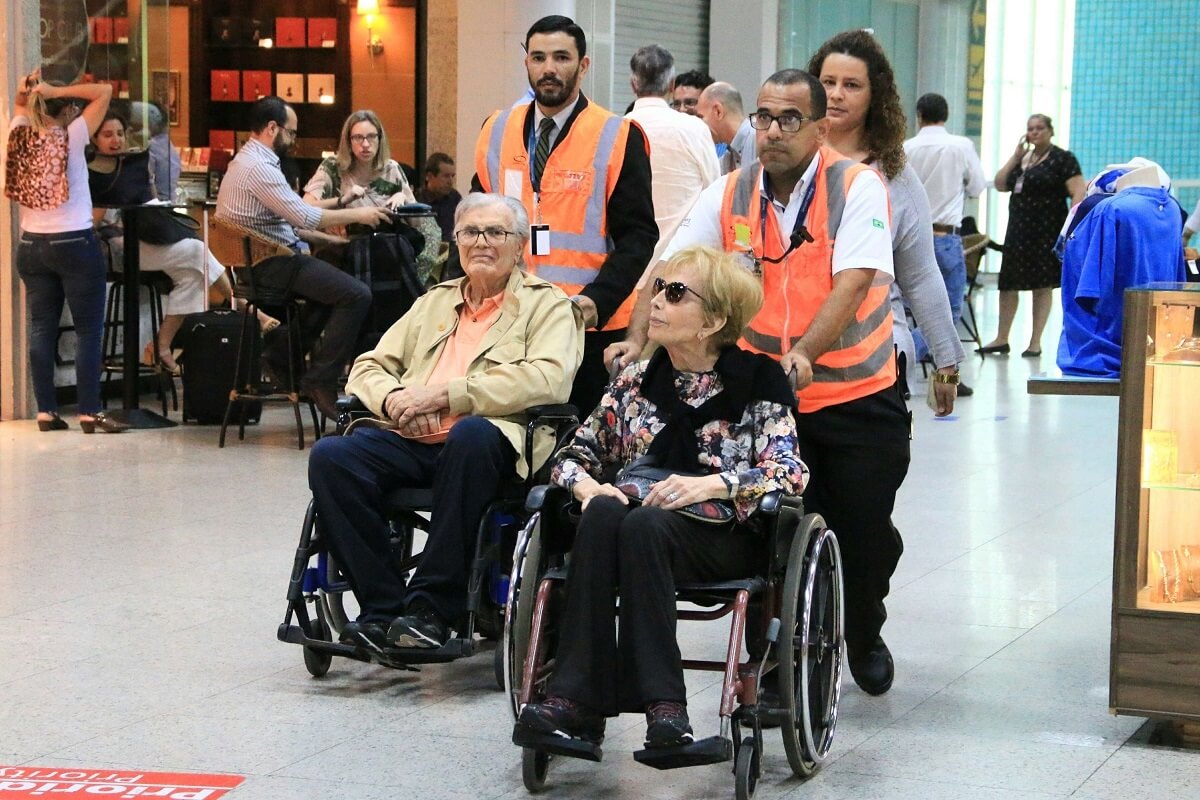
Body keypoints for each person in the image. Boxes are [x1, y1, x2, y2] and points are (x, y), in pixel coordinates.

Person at [609, 69, 909, 696]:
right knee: (767, 524)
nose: (771, 132)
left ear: (819, 127)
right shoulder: (730, 191)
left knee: (864, 531)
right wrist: (637, 339)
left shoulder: (857, 186)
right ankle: (769, 658)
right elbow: (671, 264)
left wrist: (802, 353)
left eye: (788, 120)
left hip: (855, 392)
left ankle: (864, 627)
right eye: (763, 119)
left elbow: (854, 280)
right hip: (765, 398)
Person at [515, 245, 806, 748]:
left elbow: (790, 472)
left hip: (717, 536)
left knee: (640, 522)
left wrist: (710, 483)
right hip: (635, 526)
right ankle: (574, 700)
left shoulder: (759, 381)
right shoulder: (633, 382)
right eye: (657, 290)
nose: (655, 303)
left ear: (712, 320)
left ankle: (664, 707)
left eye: (674, 294)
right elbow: (569, 456)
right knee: (606, 511)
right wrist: (588, 486)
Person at [307, 193, 584, 653]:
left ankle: (432, 609)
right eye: (471, 232)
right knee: (333, 456)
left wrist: (447, 396)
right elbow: (369, 365)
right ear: (455, 241)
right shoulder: (433, 303)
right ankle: (385, 609)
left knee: (471, 434)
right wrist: (396, 401)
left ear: (520, 246)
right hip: (412, 437)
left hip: (491, 444)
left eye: (496, 232)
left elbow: (548, 379)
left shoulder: (549, 306)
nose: (482, 242)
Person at [471, 14, 657, 413]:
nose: (549, 69)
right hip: (510, 318)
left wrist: (596, 301)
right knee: (509, 437)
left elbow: (638, 237)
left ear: (583, 65)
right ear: (526, 63)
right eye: (538, 58)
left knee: (580, 443)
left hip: (588, 326)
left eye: (561, 58)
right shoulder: (496, 130)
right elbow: (476, 223)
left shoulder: (617, 135)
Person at [808, 31, 966, 406]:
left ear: (874, 96)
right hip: (793, 359)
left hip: (876, 361)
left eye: (851, 85)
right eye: (827, 83)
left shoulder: (894, 175)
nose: (836, 94)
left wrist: (946, 362)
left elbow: (922, 274)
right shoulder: (788, 160)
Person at [215, 96, 390, 419]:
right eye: (291, 133)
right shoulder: (260, 167)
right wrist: (361, 214)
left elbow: (293, 211)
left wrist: (338, 208)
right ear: (272, 129)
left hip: (264, 260)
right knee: (356, 294)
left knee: (333, 281)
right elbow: (302, 218)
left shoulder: (248, 160)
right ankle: (320, 377)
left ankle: (284, 354)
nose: (293, 141)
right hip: (269, 264)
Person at [10, 71, 127, 433]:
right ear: (69, 110)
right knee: (89, 329)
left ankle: (46, 412)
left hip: (31, 244)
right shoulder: (72, 135)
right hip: (74, 240)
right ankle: (89, 412)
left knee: (42, 327)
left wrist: (32, 91)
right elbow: (104, 90)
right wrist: (56, 88)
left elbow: (18, 104)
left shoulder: (17, 133)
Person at [91, 112, 235, 372]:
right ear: (94, 139)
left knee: (193, 275)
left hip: (143, 237)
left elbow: (152, 201)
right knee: (196, 250)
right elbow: (93, 221)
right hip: (118, 247)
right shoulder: (94, 170)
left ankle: (161, 346)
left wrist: (144, 182)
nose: (116, 140)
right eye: (107, 135)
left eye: (120, 134)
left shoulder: (131, 165)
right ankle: (243, 307)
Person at [980, 113, 1084, 357]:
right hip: (1018, 229)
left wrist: (1071, 225)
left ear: (1050, 131)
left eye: (1039, 128)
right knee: (1008, 283)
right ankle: (1002, 337)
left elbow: (1078, 191)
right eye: (1030, 129)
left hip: (1046, 228)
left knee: (1042, 284)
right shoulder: (1022, 159)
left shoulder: (1063, 159)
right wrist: (1014, 157)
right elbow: (1000, 184)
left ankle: (1035, 341)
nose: (1034, 133)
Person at [625, 44, 720, 276]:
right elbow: (714, 191)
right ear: (671, 84)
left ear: (633, 84)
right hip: (684, 266)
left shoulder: (616, 130)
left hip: (630, 268)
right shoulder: (694, 129)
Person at [903, 93, 987, 339]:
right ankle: (910, 357)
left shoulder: (905, 149)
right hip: (946, 237)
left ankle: (911, 358)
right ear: (946, 115)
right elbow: (977, 187)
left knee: (909, 311)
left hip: (912, 240)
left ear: (919, 116)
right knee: (948, 315)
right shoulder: (961, 146)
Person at [302, 109, 416, 219]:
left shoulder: (391, 168)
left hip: (384, 237)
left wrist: (403, 198)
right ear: (348, 141)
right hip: (340, 238)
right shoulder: (332, 166)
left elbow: (420, 223)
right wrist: (342, 200)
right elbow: (303, 209)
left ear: (380, 139)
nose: (365, 144)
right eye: (358, 137)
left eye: (371, 136)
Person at [695, 82, 756, 174]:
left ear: (718, 111)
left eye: (701, 117)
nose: (698, 124)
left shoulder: (760, 141)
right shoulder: (727, 158)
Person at [129, 101, 180, 202]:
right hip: (167, 202)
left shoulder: (153, 146)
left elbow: (147, 180)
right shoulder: (167, 145)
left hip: (156, 204)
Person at [415, 152, 462, 242]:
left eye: (452, 176)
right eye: (446, 176)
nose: (451, 181)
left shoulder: (455, 198)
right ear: (429, 176)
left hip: (452, 251)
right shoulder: (417, 201)